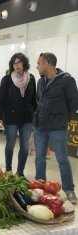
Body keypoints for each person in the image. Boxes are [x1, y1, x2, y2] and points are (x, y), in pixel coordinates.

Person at [35, 52, 78, 204]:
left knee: (62, 159)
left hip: (58, 127)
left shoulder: (67, 80)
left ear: (47, 63)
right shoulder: (41, 82)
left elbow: (74, 103)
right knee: (39, 158)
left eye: (39, 63)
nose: (37, 66)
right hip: (40, 126)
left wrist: (64, 120)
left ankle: (69, 189)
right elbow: (38, 101)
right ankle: (40, 187)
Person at [0, 52, 37, 177]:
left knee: (24, 147)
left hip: (27, 118)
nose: (17, 65)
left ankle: (20, 173)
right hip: (11, 117)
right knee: (10, 144)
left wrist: (34, 114)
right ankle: (8, 170)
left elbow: (33, 99)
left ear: (24, 63)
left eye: (19, 62)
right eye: (14, 63)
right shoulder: (7, 79)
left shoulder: (31, 78)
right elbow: (0, 99)